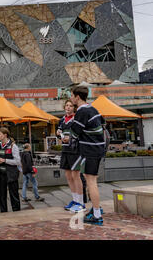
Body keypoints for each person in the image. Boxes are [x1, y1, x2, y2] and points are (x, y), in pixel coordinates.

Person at [63, 86, 106, 225]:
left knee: (91, 182)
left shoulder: (82, 112)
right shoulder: (93, 109)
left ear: (77, 97)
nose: (70, 97)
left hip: (89, 150)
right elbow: (102, 124)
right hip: (97, 149)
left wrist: (66, 137)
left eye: (71, 95)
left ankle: (97, 215)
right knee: (92, 181)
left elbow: (74, 134)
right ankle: (95, 209)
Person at [57, 99, 85, 212]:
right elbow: (60, 133)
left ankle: (81, 202)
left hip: (75, 150)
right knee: (68, 176)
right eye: (66, 105)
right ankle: (74, 200)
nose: (68, 107)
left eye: (70, 106)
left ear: (74, 108)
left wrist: (71, 138)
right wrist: (59, 135)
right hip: (65, 150)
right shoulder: (61, 120)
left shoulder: (77, 119)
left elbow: (81, 134)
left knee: (76, 176)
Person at [0, 127, 22, 212]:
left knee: (14, 195)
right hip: (1, 174)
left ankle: (16, 213)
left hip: (12, 174)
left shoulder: (13, 146)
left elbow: (17, 161)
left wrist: (5, 160)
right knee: (2, 195)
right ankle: (3, 213)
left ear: (5, 135)